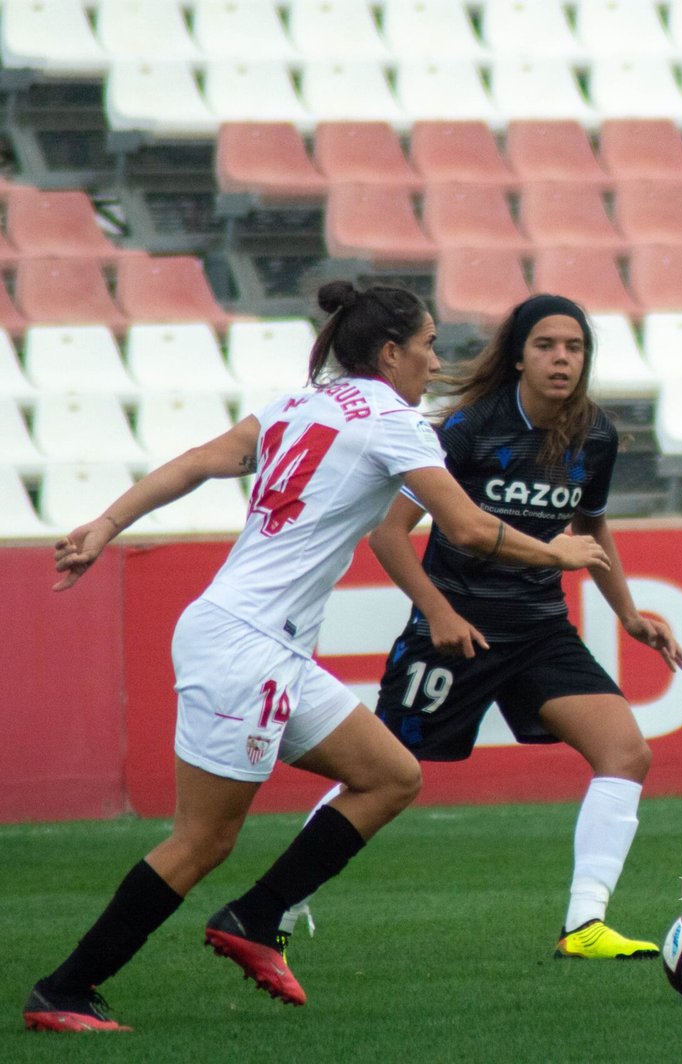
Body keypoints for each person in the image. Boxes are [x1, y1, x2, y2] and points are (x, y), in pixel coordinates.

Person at [24, 282, 610, 1033]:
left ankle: (256, 916)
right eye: (428, 345)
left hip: (258, 641)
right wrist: (553, 552)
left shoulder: (299, 405)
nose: (435, 362)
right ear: (391, 352)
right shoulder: (397, 424)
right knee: (203, 840)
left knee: (391, 776)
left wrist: (108, 523)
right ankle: (65, 989)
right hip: (248, 647)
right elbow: (464, 528)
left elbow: (201, 462)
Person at [285, 294, 682, 961]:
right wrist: (438, 612)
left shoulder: (595, 435)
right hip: (458, 628)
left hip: (538, 628)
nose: (562, 359)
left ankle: (585, 925)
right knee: (383, 771)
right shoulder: (471, 428)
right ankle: (282, 902)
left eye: (574, 348)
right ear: (519, 356)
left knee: (626, 754)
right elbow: (388, 536)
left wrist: (628, 614)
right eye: (547, 346)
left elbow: (589, 528)